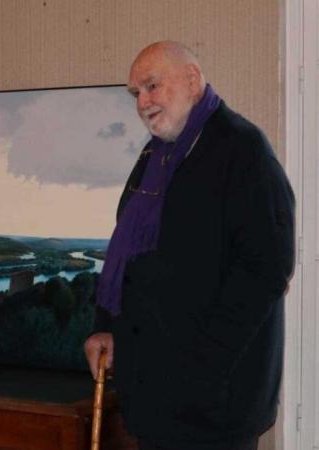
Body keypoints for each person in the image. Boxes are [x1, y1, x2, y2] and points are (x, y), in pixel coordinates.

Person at [84, 41, 295, 450]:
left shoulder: (243, 149)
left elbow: (267, 268)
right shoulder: (155, 155)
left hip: (214, 404)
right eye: (136, 94)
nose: (142, 103)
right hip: (156, 397)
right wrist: (106, 327)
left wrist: (205, 366)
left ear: (192, 79)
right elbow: (126, 253)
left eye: (151, 86)